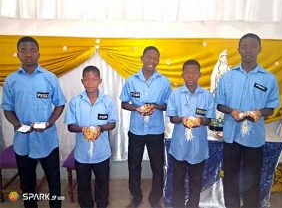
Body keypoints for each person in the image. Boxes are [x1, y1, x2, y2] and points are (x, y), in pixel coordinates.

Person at [215, 33, 280, 208]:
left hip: (254, 138)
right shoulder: (227, 77)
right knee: (230, 177)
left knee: (252, 179)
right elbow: (220, 105)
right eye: (244, 46)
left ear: (260, 49)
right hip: (231, 136)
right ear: (238, 50)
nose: (248, 50)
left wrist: (260, 112)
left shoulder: (269, 79)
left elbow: (271, 108)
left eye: (252, 46)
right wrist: (231, 111)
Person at [1, 36, 66, 208]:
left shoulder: (50, 78)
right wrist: (17, 125)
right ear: (18, 54)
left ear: (39, 54)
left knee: (54, 182)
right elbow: (7, 109)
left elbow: (60, 104)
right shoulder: (11, 80)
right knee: (27, 183)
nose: (28, 54)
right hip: (23, 141)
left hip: (47, 140)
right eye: (23, 50)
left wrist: (49, 123)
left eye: (32, 50)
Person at [120, 46, 172, 208]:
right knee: (134, 165)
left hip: (156, 131)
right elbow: (124, 103)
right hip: (136, 130)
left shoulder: (164, 82)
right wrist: (137, 108)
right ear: (142, 58)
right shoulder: (131, 80)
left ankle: (155, 198)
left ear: (158, 60)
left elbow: (168, 106)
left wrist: (155, 106)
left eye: (155, 57)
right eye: (148, 57)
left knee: (157, 165)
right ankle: (136, 197)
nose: (152, 60)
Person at [64, 65, 118, 208]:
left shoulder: (108, 101)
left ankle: (101, 203)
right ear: (82, 81)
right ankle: (86, 204)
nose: (90, 83)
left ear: (100, 81)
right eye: (87, 80)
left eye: (94, 79)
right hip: (82, 153)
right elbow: (70, 125)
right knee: (83, 183)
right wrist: (84, 129)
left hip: (102, 152)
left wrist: (100, 128)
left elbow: (112, 123)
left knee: (102, 182)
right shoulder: (75, 102)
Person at [166, 59, 215, 208]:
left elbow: (209, 120)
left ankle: (193, 205)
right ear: (182, 75)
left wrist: (200, 120)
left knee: (196, 181)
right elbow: (172, 118)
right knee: (178, 181)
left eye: (194, 72)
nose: (191, 75)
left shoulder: (207, 95)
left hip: (198, 147)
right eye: (187, 72)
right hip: (180, 145)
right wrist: (182, 119)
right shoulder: (176, 94)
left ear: (199, 74)